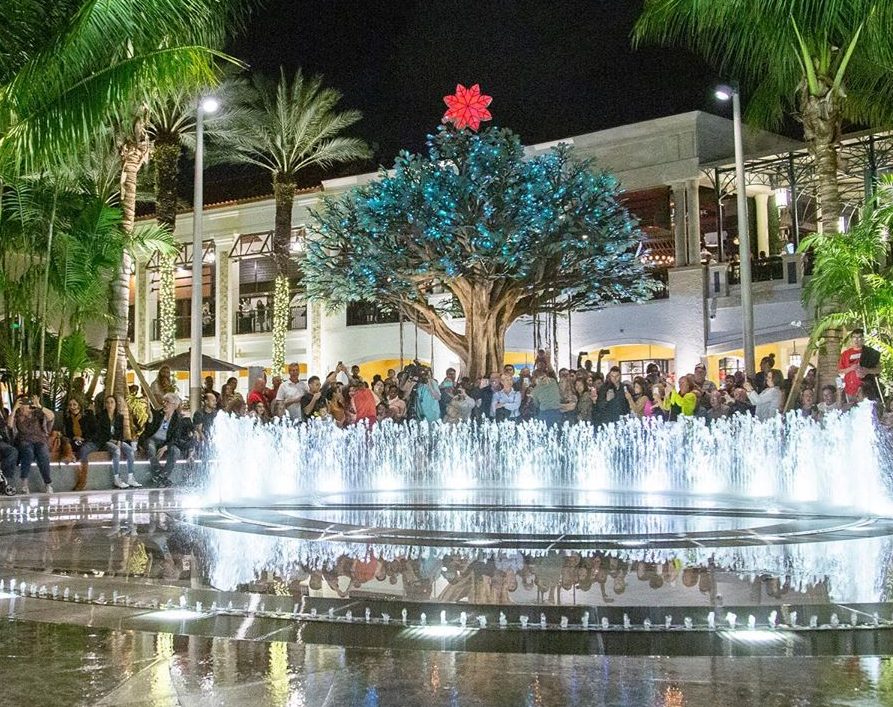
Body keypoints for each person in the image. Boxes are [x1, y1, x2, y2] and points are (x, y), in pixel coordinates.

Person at [140, 393, 191, 487]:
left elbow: (176, 437)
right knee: (150, 447)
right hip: (153, 439)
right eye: (164, 401)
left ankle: (162, 476)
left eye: (167, 402)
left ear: (174, 405)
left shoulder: (178, 419)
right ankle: (159, 473)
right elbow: (148, 432)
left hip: (167, 443)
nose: (164, 404)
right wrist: (150, 419)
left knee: (176, 451)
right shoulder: (157, 414)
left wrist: (165, 447)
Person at [9, 394, 55, 494]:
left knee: (43, 454)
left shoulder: (37, 413)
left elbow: (51, 416)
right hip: (24, 441)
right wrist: (15, 408)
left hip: (40, 440)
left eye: (27, 402)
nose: (25, 405)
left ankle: (48, 484)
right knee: (28, 452)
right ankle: (24, 484)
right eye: (22, 403)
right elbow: (9, 425)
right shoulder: (16, 415)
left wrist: (39, 406)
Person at [96, 395, 140, 489]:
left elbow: (120, 431)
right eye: (107, 402)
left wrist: (119, 441)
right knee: (116, 450)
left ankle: (131, 478)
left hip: (116, 440)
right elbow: (100, 434)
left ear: (115, 404)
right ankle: (117, 478)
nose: (109, 405)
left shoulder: (119, 417)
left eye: (112, 402)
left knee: (130, 450)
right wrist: (114, 441)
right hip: (105, 441)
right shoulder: (101, 416)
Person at [63, 398, 99, 491]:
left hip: (90, 441)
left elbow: (95, 432)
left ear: (79, 405)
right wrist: (75, 437)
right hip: (76, 441)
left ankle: (82, 480)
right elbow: (68, 433)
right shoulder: (68, 417)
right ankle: (70, 456)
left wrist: (83, 438)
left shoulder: (88, 415)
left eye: (74, 404)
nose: (72, 407)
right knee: (66, 442)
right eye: (70, 405)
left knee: (83, 450)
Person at [838, 328, 882, 403]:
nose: (856, 340)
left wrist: (867, 371)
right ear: (851, 339)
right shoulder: (845, 354)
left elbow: (879, 369)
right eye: (854, 337)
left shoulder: (870, 353)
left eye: (859, 337)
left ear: (863, 339)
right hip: (850, 390)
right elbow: (840, 370)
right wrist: (851, 368)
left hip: (866, 389)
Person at [192, 392, 219, 456]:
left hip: (214, 439)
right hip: (203, 440)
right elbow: (199, 430)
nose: (215, 402)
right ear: (206, 401)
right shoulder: (199, 413)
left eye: (215, 400)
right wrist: (208, 442)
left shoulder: (216, 414)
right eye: (213, 400)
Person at [0, 408, 18, 495]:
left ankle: (5, 479)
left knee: (13, 451)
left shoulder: (3, 412)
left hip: (1, 442)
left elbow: (6, 428)